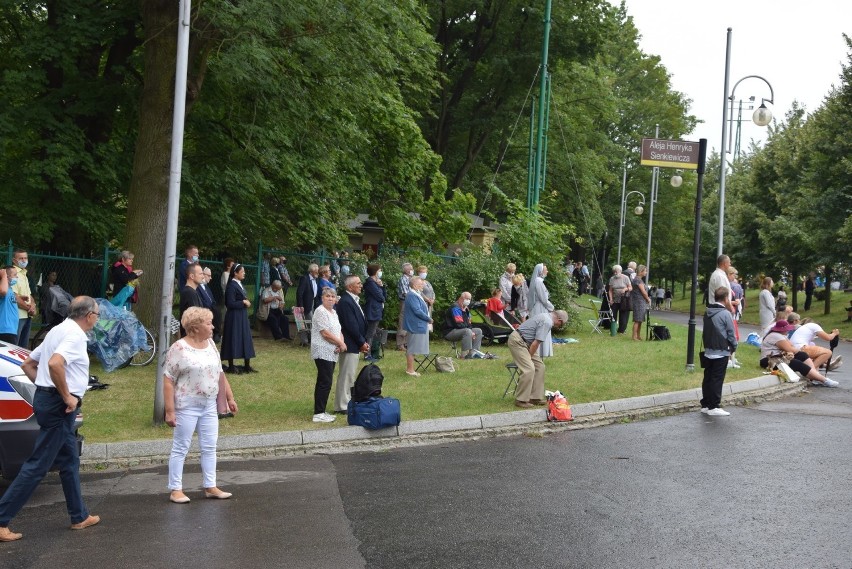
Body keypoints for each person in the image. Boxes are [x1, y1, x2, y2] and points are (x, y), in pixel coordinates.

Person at [0, 296, 101, 541]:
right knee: (37, 465)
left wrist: (45, 389)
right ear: (88, 316)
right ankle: (2, 520)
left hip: (49, 400)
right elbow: (56, 364)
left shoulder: (58, 329)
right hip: (60, 406)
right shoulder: (75, 335)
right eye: (97, 314)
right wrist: (66, 396)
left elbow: (28, 364)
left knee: (68, 461)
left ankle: (79, 516)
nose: (97, 319)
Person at [163, 307, 237, 504]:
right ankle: (176, 489)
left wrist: (230, 398)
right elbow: (168, 380)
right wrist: (170, 411)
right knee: (181, 447)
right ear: (195, 327)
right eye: (208, 323)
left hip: (209, 405)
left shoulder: (211, 343)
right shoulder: (179, 348)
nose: (212, 326)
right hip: (186, 405)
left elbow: (220, 373)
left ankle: (210, 486)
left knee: (210, 446)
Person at [508, 310, 568, 408]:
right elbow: (536, 344)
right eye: (561, 325)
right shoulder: (547, 322)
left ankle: (535, 397)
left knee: (540, 366)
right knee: (529, 369)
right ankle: (520, 400)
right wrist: (529, 357)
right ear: (559, 320)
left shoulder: (546, 316)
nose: (558, 327)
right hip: (518, 342)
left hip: (527, 342)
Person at [760, 319, 838, 387]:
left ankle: (815, 376)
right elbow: (790, 348)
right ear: (782, 329)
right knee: (796, 363)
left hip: (777, 358)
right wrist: (796, 350)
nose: (788, 330)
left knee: (802, 355)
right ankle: (824, 380)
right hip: (770, 360)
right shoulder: (776, 336)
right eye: (787, 329)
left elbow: (791, 346)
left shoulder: (780, 336)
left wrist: (796, 351)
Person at [310, 287, 347, 422]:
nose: (330, 298)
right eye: (327, 296)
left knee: (327, 380)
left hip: (332, 350)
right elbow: (324, 333)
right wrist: (340, 344)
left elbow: (338, 330)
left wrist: (340, 342)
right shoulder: (320, 311)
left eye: (333, 296)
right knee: (324, 381)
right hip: (322, 350)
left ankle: (322, 411)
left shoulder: (333, 312)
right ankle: (318, 413)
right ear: (322, 298)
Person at [335, 275, 370, 412]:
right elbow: (351, 325)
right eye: (358, 283)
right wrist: (361, 342)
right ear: (350, 287)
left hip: (355, 343)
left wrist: (363, 341)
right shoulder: (346, 301)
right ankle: (342, 405)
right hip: (349, 343)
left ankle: (347, 401)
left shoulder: (352, 300)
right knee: (346, 374)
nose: (361, 285)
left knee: (350, 374)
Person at [700, 287, 738, 416]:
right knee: (717, 378)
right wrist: (734, 346)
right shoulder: (725, 313)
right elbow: (730, 333)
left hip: (708, 349)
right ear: (726, 298)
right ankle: (714, 406)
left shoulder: (707, 311)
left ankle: (705, 403)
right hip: (721, 350)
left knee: (708, 378)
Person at [221, 263, 256, 374]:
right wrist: (243, 302)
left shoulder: (239, 284)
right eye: (242, 271)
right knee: (233, 338)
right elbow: (229, 303)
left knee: (246, 338)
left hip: (242, 315)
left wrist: (245, 301)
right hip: (234, 316)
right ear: (235, 273)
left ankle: (247, 365)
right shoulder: (231, 285)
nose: (244, 273)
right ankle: (231, 366)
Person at [403, 276, 432, 376]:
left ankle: (411, 369)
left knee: (414, 347)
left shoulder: (416, 293)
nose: (423, 285)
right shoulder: (411, 295)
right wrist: (428, 319)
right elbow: (417, 310)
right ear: (415, 285)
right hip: (415, 325)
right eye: (420, 284)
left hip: (418, 324)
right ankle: (410, 370)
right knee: (412, 348)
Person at [443, 292, 484, 359]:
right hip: (450, 331)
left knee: (478, 331)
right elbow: (459, 324)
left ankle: (474, 353)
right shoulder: (455, 307)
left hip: (462, 330)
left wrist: (472, 331)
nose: (468, 301)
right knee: (467, 331)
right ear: (461, 298)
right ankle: (465, 355)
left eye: (469, 299)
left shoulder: (466, 309)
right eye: (466, 298)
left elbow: (469, 323)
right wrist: (470, 332)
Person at [527, 263, 555, 357]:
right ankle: (538, 353)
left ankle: (537, 353)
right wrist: (551, 307)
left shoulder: (537, 281)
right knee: (541, 329)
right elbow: (543, 298)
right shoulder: (538, 281)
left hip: (538, 307)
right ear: (540, 271)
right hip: (540, 308)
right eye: (545, 270)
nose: (547, 271)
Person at [12, 249, 37, 347]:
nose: (24, 260)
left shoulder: (24, 274)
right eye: (21, 258)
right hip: (18, 315)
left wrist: (33, 306)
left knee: (23, 348)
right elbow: (14, 296)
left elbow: (29, 295)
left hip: (27, 316)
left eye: (25, 258)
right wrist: (28, 309)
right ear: (14, 260)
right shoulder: (13, 274)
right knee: (15, 346)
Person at [363, 263, 386, 360]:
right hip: (372, 310)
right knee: (370, 333)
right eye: (380, 270)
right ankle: (367, 354)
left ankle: (371, 352)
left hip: (377, 310)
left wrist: (382, 286)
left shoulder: (376, 283)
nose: (380, 272)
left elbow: (384, 297)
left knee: (373, 332)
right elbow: (380, 297)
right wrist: (379, 289)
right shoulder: (370, 283)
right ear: (376, 272)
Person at [179, 262, 204, 337]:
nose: (203, 277)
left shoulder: (191, 292)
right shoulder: (190, 293)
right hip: (191, 336)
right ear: (192, 276)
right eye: (200, 274)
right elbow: (195, 318)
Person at [198, 267, 222, 343]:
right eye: (209, 275)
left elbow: (212, 299)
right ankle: (216, 334)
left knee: (217, 311)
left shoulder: (206, 286)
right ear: (203, 275)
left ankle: (217, 333)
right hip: (205, 309)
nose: (210, 278)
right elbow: (202, 301)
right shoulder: (198, 287)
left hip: (212, 307)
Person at [726, 267, 744, 369]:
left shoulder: (730, 285)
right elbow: (724, 300)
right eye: (734, 275)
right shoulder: (732, 286)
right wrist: (734, 303)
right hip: (730, 313)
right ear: (729, 274)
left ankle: (731, 358)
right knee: (732, 336)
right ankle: (729, 360)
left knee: (733, 336)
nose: (735, 277)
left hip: (731, 313)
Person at [608, 264, 632, 335]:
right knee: (613, 315)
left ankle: (622, 330)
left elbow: (630, 288)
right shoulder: (612, 279)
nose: (615, 273)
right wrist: (611, 299)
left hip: (623, 300)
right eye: (614, 272)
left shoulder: (626, 278)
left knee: (623, 315)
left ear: (620, 271)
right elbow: (610, 290)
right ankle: (612, 329)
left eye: (616, 272)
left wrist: (625, 289)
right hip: (615, 299)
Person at [630, 265, 651, 341]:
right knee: (637, 320)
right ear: (641, 271)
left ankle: (638, 335)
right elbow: (643, 292)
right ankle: (634, 336)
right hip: (639, 301)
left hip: (640, 301)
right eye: (645, 271)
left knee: (640, 319)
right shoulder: (638, 280)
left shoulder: (638, 279)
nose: (646, 272)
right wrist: (648, 299)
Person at [396, 262, 414, 350]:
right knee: (402, 323)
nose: (412, 270)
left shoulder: (411, 279)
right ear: (407, 270)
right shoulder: (403, 279)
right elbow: (405, 293)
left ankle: (406, 343)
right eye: (411, 268)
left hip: (411, 302)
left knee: (408, 323)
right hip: (405, 302)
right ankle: (400, 344)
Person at [0, 267, 19, 344]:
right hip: (4, 330)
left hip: (12, 330)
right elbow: (3, 292)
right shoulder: (2, 288)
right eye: (14, 275)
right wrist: (3, 275)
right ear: (7, 277)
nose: (17, 277)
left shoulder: (10, 289)